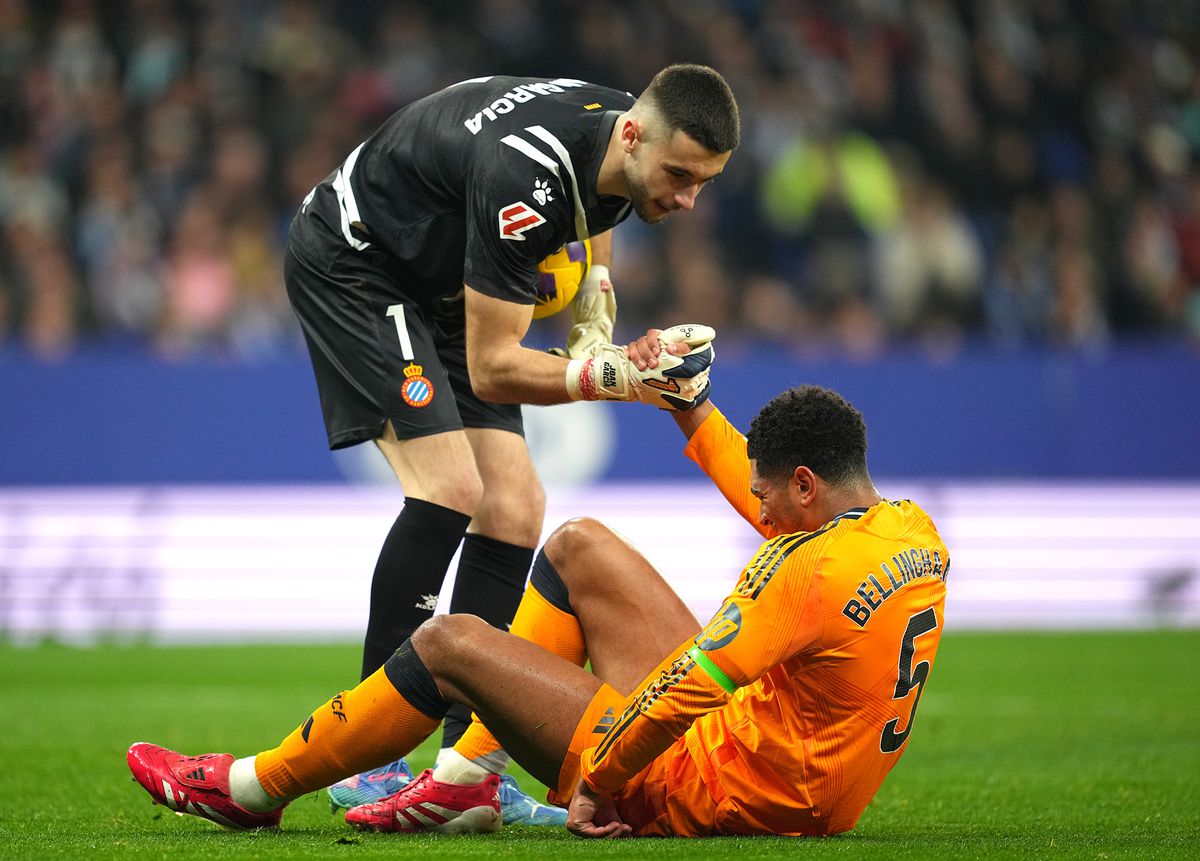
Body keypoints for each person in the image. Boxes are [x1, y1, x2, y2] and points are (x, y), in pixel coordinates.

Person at [128, 378, 951, 838]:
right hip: (789, 769)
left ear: (805, 483)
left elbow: (692, 690)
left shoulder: (804, 571)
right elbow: (775, 508)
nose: (759, 511)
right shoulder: (908, 531)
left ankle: (252, 787)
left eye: (768, 497)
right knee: (577, 544)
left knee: (450, 641)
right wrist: (691, 406)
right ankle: (466, 778)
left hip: (720, 790)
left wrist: (601, 780)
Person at [282, 62, 739, 819]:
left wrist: (596, 311)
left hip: (441, 278)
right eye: (680, 176)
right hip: (360, 263)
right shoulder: (525, 174)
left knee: (515, 507)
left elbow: (596, 212)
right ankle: (368, 759)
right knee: (450, 489)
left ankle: (464, 770)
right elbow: (493, 369)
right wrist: (617, 375)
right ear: (634, 136)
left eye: (704, 183)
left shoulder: (623, 136)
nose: (688, 199)